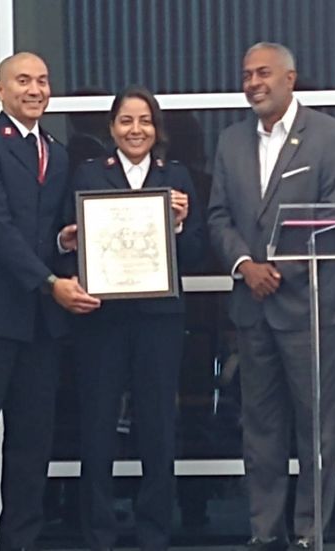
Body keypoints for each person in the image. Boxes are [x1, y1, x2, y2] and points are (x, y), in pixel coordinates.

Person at [0, 52, 101, 551]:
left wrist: (66, 244)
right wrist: (51, 281)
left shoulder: (57, 151)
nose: (35, 89)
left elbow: (39, 233)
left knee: (31, 451)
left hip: (38, 328)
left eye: (43, 81)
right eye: (23, 80)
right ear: (0, 90)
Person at [207, 42, 335, 550]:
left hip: (312, 310)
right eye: (247, 73)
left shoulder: (333, 139)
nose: (253, 82)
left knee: (318, 430)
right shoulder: (229, 141)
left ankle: (310, 533)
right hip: (252, 308)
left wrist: (280, 269)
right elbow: (218, 217)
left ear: (291, 77)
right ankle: (264, 532)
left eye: (264, 73)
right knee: (261, 430)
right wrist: (245, 266)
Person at [70, 86, 206, 551]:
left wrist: (183, 224)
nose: (135, 130)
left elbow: (195, 254)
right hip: (102, 321)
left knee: (157, 429)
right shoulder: (89, 174)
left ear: (156, 128)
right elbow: (69, 244)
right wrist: (71, 243)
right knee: (98, 428)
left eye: (144, 121)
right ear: (111, 128)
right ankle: (98, 536)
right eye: (126, 121)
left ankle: (154, 535)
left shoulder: (178, 178)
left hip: (158, 319)